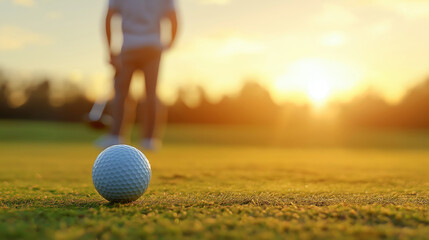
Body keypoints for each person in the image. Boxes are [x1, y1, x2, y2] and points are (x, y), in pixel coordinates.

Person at [95, 0, 178, 150]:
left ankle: (115, 136)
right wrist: (170, 42)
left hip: (128, 46)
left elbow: (108, 18)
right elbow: (173, 16)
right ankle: (149, 140)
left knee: (121, 94)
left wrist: (111, 51)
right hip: (153, 46)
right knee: (151, 93)